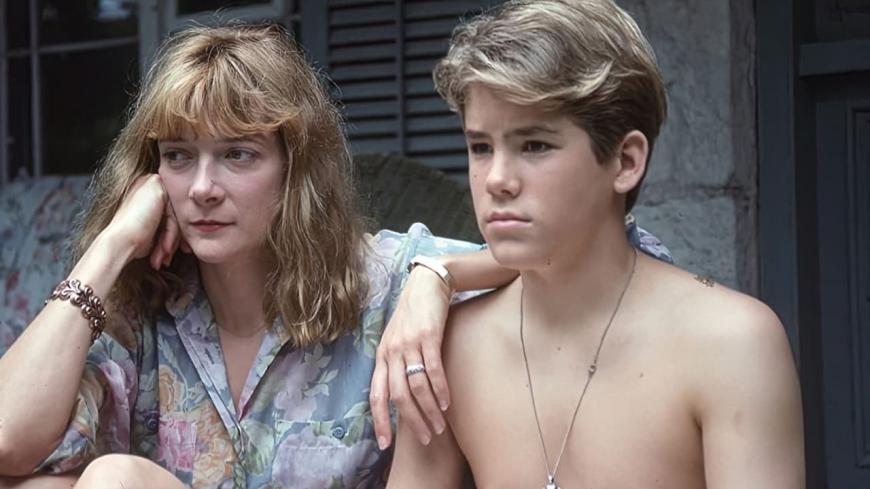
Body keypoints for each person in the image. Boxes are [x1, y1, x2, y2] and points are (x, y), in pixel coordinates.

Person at [0, 21, 666, 489]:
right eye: (178, 157)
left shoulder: (384, 281)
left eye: (238, 155)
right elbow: (8, 440)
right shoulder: (137, 311)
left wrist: (438, 275)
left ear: (295, 169)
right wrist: (114, 243)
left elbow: (607, 246)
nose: (202, 188)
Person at [387, 1, 805, 488]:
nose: (496, 179)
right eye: (481, 147)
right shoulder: (449, 350)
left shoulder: (730, 343)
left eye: (535, 145)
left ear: (626, 161)